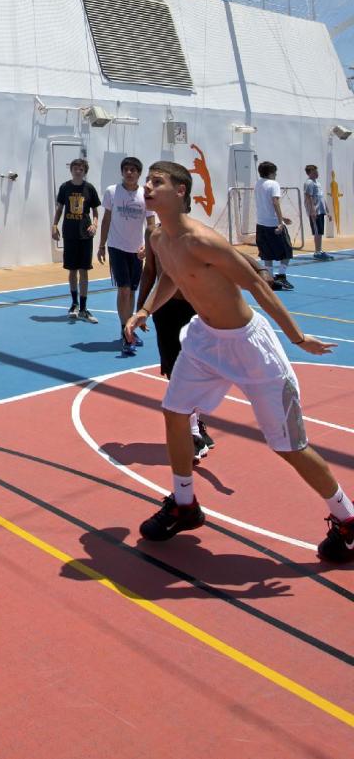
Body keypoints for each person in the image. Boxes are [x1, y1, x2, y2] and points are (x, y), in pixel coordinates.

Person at [125, 161, 354, 563]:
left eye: (156, 182)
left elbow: (255, 284)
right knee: (174, 411)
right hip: (204, 341)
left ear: (180, 191)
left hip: (249, 348)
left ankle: (347, 519)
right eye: (147, 181)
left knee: (289, 446)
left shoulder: (205, 241)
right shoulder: (159, 237)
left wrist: (297, 337)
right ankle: (184, 505)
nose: (147, 187)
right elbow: (172, 277)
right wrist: (145, 309)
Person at [138, 238, 277, 463]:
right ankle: (192, 431)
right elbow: (150, 271)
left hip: (194, 308)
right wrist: (141, 308)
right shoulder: (154, 234)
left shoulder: (192, 233)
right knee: (174, 370)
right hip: (165, 310)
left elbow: (230, 253)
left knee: (199, 369)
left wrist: (261, 269)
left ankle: (195, 425)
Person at [98, 156, 154, 355]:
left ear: (139, 173)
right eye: (126, 169)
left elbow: (151, 225)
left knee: (131, 291)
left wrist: (148, 247)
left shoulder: (145, 195)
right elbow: (106, 220)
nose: (129, 172)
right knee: (123, 290)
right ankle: (125, 333)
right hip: (116, 247)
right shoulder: (112, 191)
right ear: (122, 172)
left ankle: (129, 326)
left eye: (133, 169)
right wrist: (102, 245)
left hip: (137, 251)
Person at [51, 158, 100, 323]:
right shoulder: (65, 187)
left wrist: (94, 225)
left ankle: (84, 308)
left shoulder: (89, 188)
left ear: (85, 171)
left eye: (81, 168)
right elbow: (60, 208)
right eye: (75, 168)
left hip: (85, 234)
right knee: (72, 270)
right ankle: (74, 304)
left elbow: (95, 212)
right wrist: (54, 225)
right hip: (70, 234)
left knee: (84, 270)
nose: (78, 171)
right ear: (71, 170)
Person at [254, 161, 293, 290]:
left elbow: (265, 204)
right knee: (287, 251)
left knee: (267, 253)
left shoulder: (258, 184)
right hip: (273, 224)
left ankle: (269, 279)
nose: (276, 174)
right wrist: (280, 222)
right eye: (275, 172)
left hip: (261, 223)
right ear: (271, 172)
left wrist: (282, 217)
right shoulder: (274, 184)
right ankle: (281, 275)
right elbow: (275, 202)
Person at [303, 164, 332, 261]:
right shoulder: (309, 183)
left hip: (321, 211)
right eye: (315, 172)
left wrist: (327, 211)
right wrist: (312, 210)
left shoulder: (317, 183)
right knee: (317, 232)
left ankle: (319, 250)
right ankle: (317, 252)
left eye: (317, 171)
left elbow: (322, 198)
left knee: (320, 232)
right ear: (310, 173)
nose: (317, 173)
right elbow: (308, 197)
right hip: (315, 211)